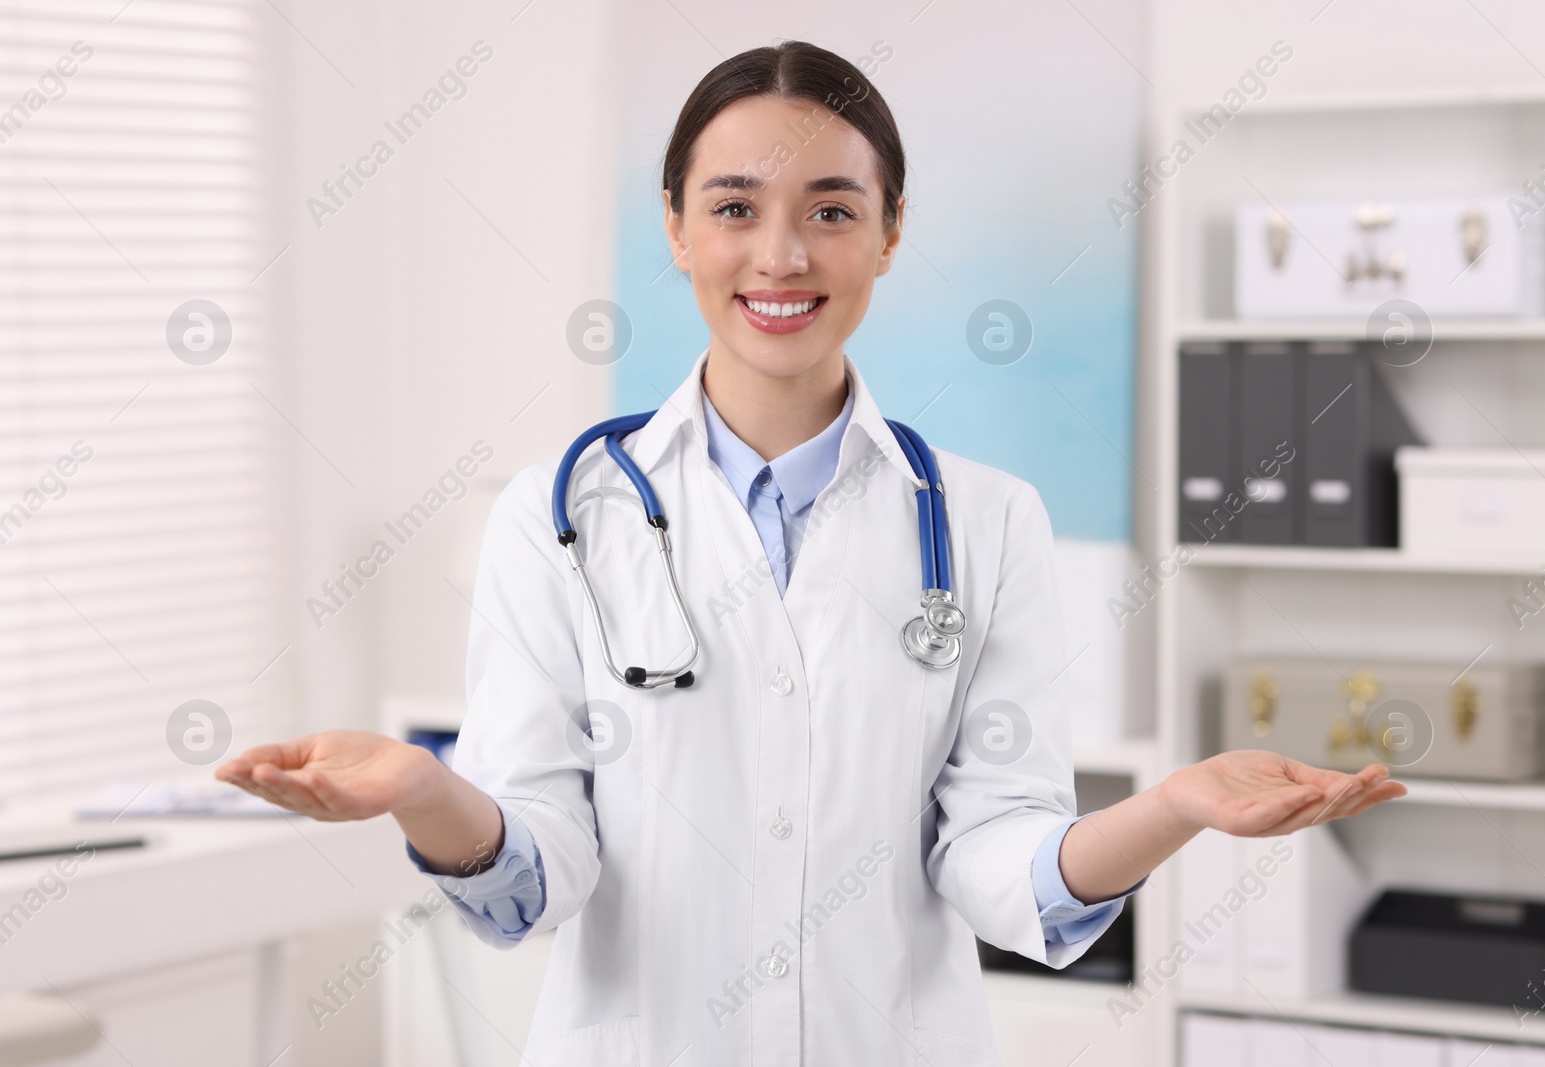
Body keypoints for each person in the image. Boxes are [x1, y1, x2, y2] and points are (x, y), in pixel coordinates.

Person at [217, 40, 1405, 1066]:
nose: (781, 256)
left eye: (831, 209)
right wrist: (426, 790)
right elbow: (538, 881)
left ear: (889, 235)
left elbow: (997, 865)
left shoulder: (986, 520)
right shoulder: (561, 513)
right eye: (734, 207)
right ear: (676, 227)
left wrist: (1174, 806)